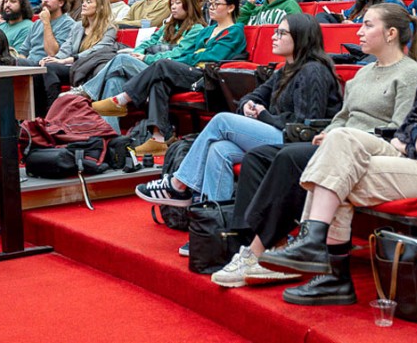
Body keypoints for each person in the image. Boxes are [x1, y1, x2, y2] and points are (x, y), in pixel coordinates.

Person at [258, 0, 417, 306]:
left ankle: (332, 273)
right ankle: (315, 243)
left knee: (338, 177)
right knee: (340, 141)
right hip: (413, 159)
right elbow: (410, 123)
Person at [212, 3, 417, 289]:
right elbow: (342, 117)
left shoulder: (412, 74)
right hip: (337, 144)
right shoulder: (363, 73)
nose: (359, 31)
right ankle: (251, 243)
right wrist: (327, 133)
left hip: (367, 150)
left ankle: (258, 252)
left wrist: (338, 136)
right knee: (258, 156)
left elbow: (401, 129)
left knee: (290, 157)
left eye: (367, 25)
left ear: (390, 34)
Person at [135, 14, 342, 207]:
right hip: (281, 135)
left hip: (300, 144)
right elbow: (253, 95)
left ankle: (179, 184)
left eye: (282, 33)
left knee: (222, 120)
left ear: (301, 37)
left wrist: (263, 115)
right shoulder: (286, 69)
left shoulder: (313, 71)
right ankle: (213, 224)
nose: (274, 37)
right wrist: (248, 105)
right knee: (220, 150)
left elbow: (304, 125)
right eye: (276, 31)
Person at [91, 0, 247, 152]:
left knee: (163, 64)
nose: (211, 7)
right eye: (210, 4)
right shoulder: (207, 31)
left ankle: (123, 99)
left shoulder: (234, 31)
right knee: (159, 82)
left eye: (217, 4)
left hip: (207, 77)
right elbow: (189, 53)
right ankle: (158, 140)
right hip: (191, 71)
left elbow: (211, 56)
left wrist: (185, 58)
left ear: (230, 8)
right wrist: (187, 58)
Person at [39, 0, 118, 110]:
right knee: (48, 67)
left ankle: (56, 111)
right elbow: (67, 46)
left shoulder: (110, 28)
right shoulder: (78, 26)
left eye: (89, 2)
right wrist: (56, 59)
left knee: (52, 67)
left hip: (90, 68)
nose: (84, 5)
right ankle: (53, 109)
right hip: (75, 67)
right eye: (84, 1)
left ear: (100, 7)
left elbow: (99, 49)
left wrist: (68, 60)